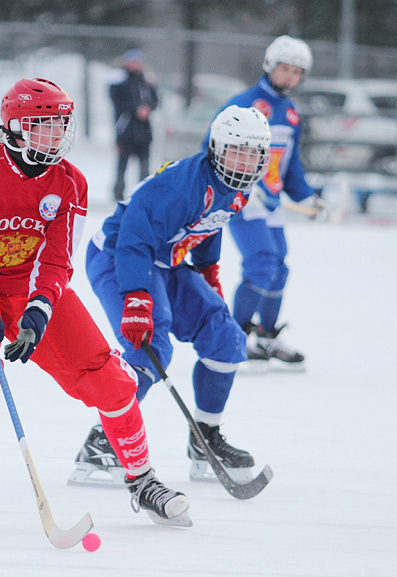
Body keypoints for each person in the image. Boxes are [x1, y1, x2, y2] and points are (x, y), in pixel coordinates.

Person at [0, 78, 191, 529]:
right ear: (16, 129)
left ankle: (142, 481)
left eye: (61, 125)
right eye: (44, 126)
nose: (56, 135)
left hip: (29, 288)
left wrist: (40, 308)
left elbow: (58, 260)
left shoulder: (71, 183)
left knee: (112, 379)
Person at [70, 105, 272, 486]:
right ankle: (101, 444)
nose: (244, 162)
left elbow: (210, 225)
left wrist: (208, 271)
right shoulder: (182, 184)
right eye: (236, 151)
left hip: (166, 259)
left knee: (226, 337)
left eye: (253, 154)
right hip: (120, 255)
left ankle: (205, 440)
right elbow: (134, 234)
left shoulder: (237, 190)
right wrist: (136, 296)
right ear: (216, 148)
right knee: (150, 344)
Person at [208, 35, 328, 371]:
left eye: (296, 71)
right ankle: (233, 337)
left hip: (270, 200)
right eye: (284, 69)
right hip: (243, 200)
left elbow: (291, 164)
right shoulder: (243, 104)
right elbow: (212, 149)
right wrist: (238, 184)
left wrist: (307, 197)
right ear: (269, 66)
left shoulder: (290, 113)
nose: (290, 77)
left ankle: (265, 336)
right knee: (261, 262)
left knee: (279, 268)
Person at [109, 49, 158, 202]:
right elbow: (118, 103)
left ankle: (142, 194)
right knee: (122, 165)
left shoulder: (145, 81)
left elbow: (155, 100)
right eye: (131, 61)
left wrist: (147, 108)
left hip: (144, 131)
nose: (134, 64)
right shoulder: (120, 81)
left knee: (144, 166)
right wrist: (135, 109)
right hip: (126, 131)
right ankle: (118, 194)